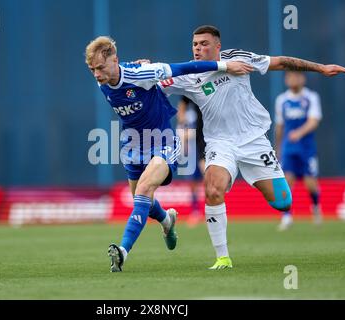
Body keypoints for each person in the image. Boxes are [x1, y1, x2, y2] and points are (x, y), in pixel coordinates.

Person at [158, 25, 345, 270]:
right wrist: (141, 69)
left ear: (218, 46)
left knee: (283, 202)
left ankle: (256, 180)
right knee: (213, 188)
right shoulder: (187, 75)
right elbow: (154, 81)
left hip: (254, 141)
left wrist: (321, 68)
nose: (198, 48)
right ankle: (222, 258)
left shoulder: (238, 58)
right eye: (195, 44)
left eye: (204, 43)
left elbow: (280, 62)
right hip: (220, 143)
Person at [85, 36, 252, 272]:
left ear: (115, 60)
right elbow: (121, 73)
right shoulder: (104, 80)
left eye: (100, 67)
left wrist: (224, 66)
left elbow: (185, 67)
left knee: (143, 190)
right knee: (142, 200)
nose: (96, 74)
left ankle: (122, 251)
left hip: (162, 141)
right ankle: (166, 220)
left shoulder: (144, 73)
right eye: (92, 69)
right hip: (133, 145)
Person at [275, 71, 323, 231]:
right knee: (287, 181)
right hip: (289, 148)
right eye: (290, 77)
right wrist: (278, 148)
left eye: (296, 76)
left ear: (303, 79)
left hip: (306, 148)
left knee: (310, 182)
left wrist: (300, 133)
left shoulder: (311, 97)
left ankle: (316, 208)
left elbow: (314, 121)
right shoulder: (282, 100)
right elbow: (280, 126)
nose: (293, 79)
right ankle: (287, 216)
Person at [176, 96, 206, 226]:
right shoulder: (186, 116)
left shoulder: (199, 113)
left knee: (208, 179)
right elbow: (181, 134)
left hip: (202, 149)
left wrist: (190, 134)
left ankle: (210, 211)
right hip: (191, 154)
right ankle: (195, 212)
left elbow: (195, 132)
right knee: (193, 184)